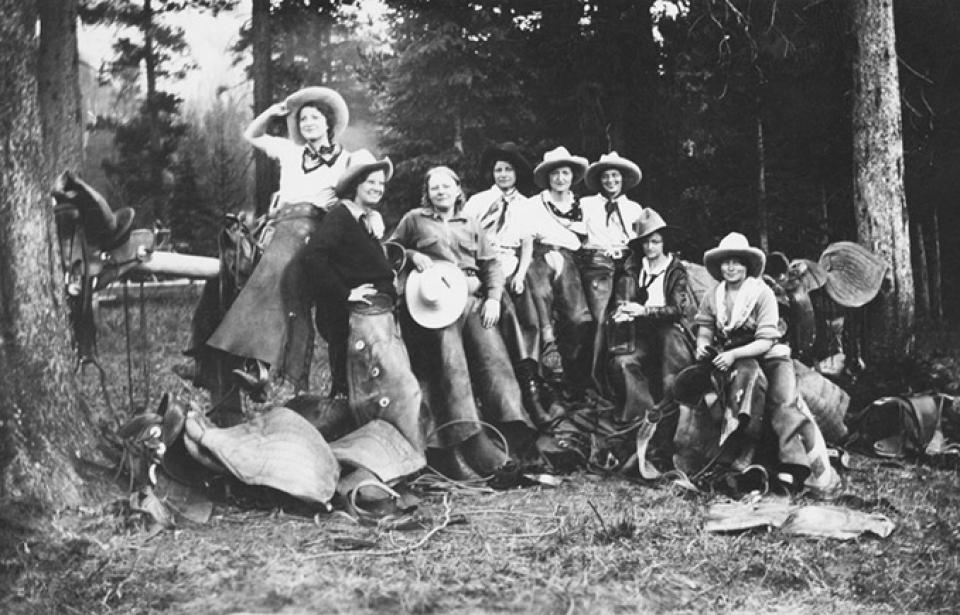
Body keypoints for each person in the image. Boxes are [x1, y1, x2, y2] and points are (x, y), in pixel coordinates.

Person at [390, 166, 536, 482]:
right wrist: (413, 253)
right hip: (435, 303)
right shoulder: (414, 219)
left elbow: (491, 264)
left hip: (471, 299)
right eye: (434, 188)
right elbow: (390, 250)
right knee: (451, 362)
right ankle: (469, 439)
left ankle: (512, 429)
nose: (440, 192)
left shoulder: (470, 222)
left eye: (446, 186)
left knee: (493, 356)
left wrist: (494, 297)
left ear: (458, 190)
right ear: (427, 193)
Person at [206, 87, 351, 396]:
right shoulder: (290, 151)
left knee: (276, 273)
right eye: (303, 120)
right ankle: (228, 361)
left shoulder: (345, 159)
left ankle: (256, 364)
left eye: (315, 118)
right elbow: (251, 134)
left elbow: (356, 196)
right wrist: (272, 114)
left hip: (313, 226)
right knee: (235, 271)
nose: (308, 123)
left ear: (329, 124)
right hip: (277, 224)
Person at [684, 232, 831, 493]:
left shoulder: (761, 293)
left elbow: (765, 340)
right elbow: (705, 327)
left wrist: (734, 355)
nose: (731, 268)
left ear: (747, 266)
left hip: (768, 353)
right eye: (726, 262)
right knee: (739, 386)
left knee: (782, 400)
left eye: (737, 262)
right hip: (732, 353)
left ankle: (792, 466)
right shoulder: (713, 295)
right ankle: (735, 453)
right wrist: (702, 346)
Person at [462, 142, 550, 425]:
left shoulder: (525, 205)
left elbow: (526, 245)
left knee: (530, 313)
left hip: (511, 262)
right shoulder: (477, 201)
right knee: (504, 308)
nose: (502, 175)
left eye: (508, 170)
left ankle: (532, 381)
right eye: (498, 170)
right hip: (484, 262)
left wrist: (522, 273)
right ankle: (514, 385)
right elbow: (465, 237)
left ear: (516, 173)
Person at [607, 208, 696, 423]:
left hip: (671, 332)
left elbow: (677, 310)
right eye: (645, 242)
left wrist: (644, 311)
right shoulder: (635, 269)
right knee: (623, 361)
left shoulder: (675, 271)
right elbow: (622, 301)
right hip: (641, 333)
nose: (650, 247)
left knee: (671, 360)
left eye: (655, 242)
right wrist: (621, 313)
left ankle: (672, 413)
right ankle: (642, 417)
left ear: (664, 243)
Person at [524, 146, 595, 397]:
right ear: (548, 177)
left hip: (572, 258)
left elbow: (590, 240)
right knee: (541, 298)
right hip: (539, 254)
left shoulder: (583, 206)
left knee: (578, 317)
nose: (560, 179)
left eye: (565, 173)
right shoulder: (535, 204)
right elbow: (526, 238)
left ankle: (573, 376)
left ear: (572, 176)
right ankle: (547, 370)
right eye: (555, 174)